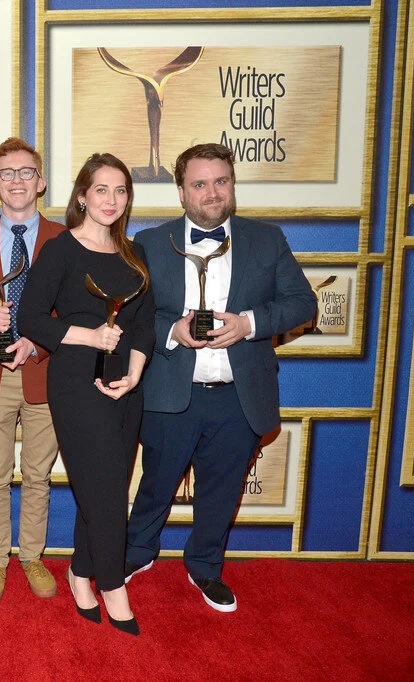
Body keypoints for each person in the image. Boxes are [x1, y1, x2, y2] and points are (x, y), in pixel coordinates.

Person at [125, 143, 316, 612]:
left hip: (238, 396)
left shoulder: (266, 239)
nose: (212, 192)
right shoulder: (150, 242)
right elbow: (131, 316)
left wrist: (249, 323)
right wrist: (172, 330)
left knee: (222, 492)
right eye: (200, 184)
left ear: (232, 184)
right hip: (170, 392)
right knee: (155, 484)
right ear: (181, 192)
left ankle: (206, 566)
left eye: (221, 181)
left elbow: (303, 303)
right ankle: (136, 553)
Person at [18, 153, 154, 635]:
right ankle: (112, 584)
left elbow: (144, 324)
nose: (111, 200)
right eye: (101, 189)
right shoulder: (61, 249)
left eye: (120, 191)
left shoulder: (134, 254)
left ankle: (79, 571)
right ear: (82, 195)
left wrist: (134, 374)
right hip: (76, 381)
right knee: (107, 492)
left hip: (126, 384)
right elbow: (30, 319)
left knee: (108, 484)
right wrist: (90, 336)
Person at [0, 137, 63, 602]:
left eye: (26, 172)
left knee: (38, 474)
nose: (16, 180)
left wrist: (36, 342)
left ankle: (32, 556)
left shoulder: (65, 240)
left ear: (40, 182)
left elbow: (73, 310)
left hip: (46, 370)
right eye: (6, 173)